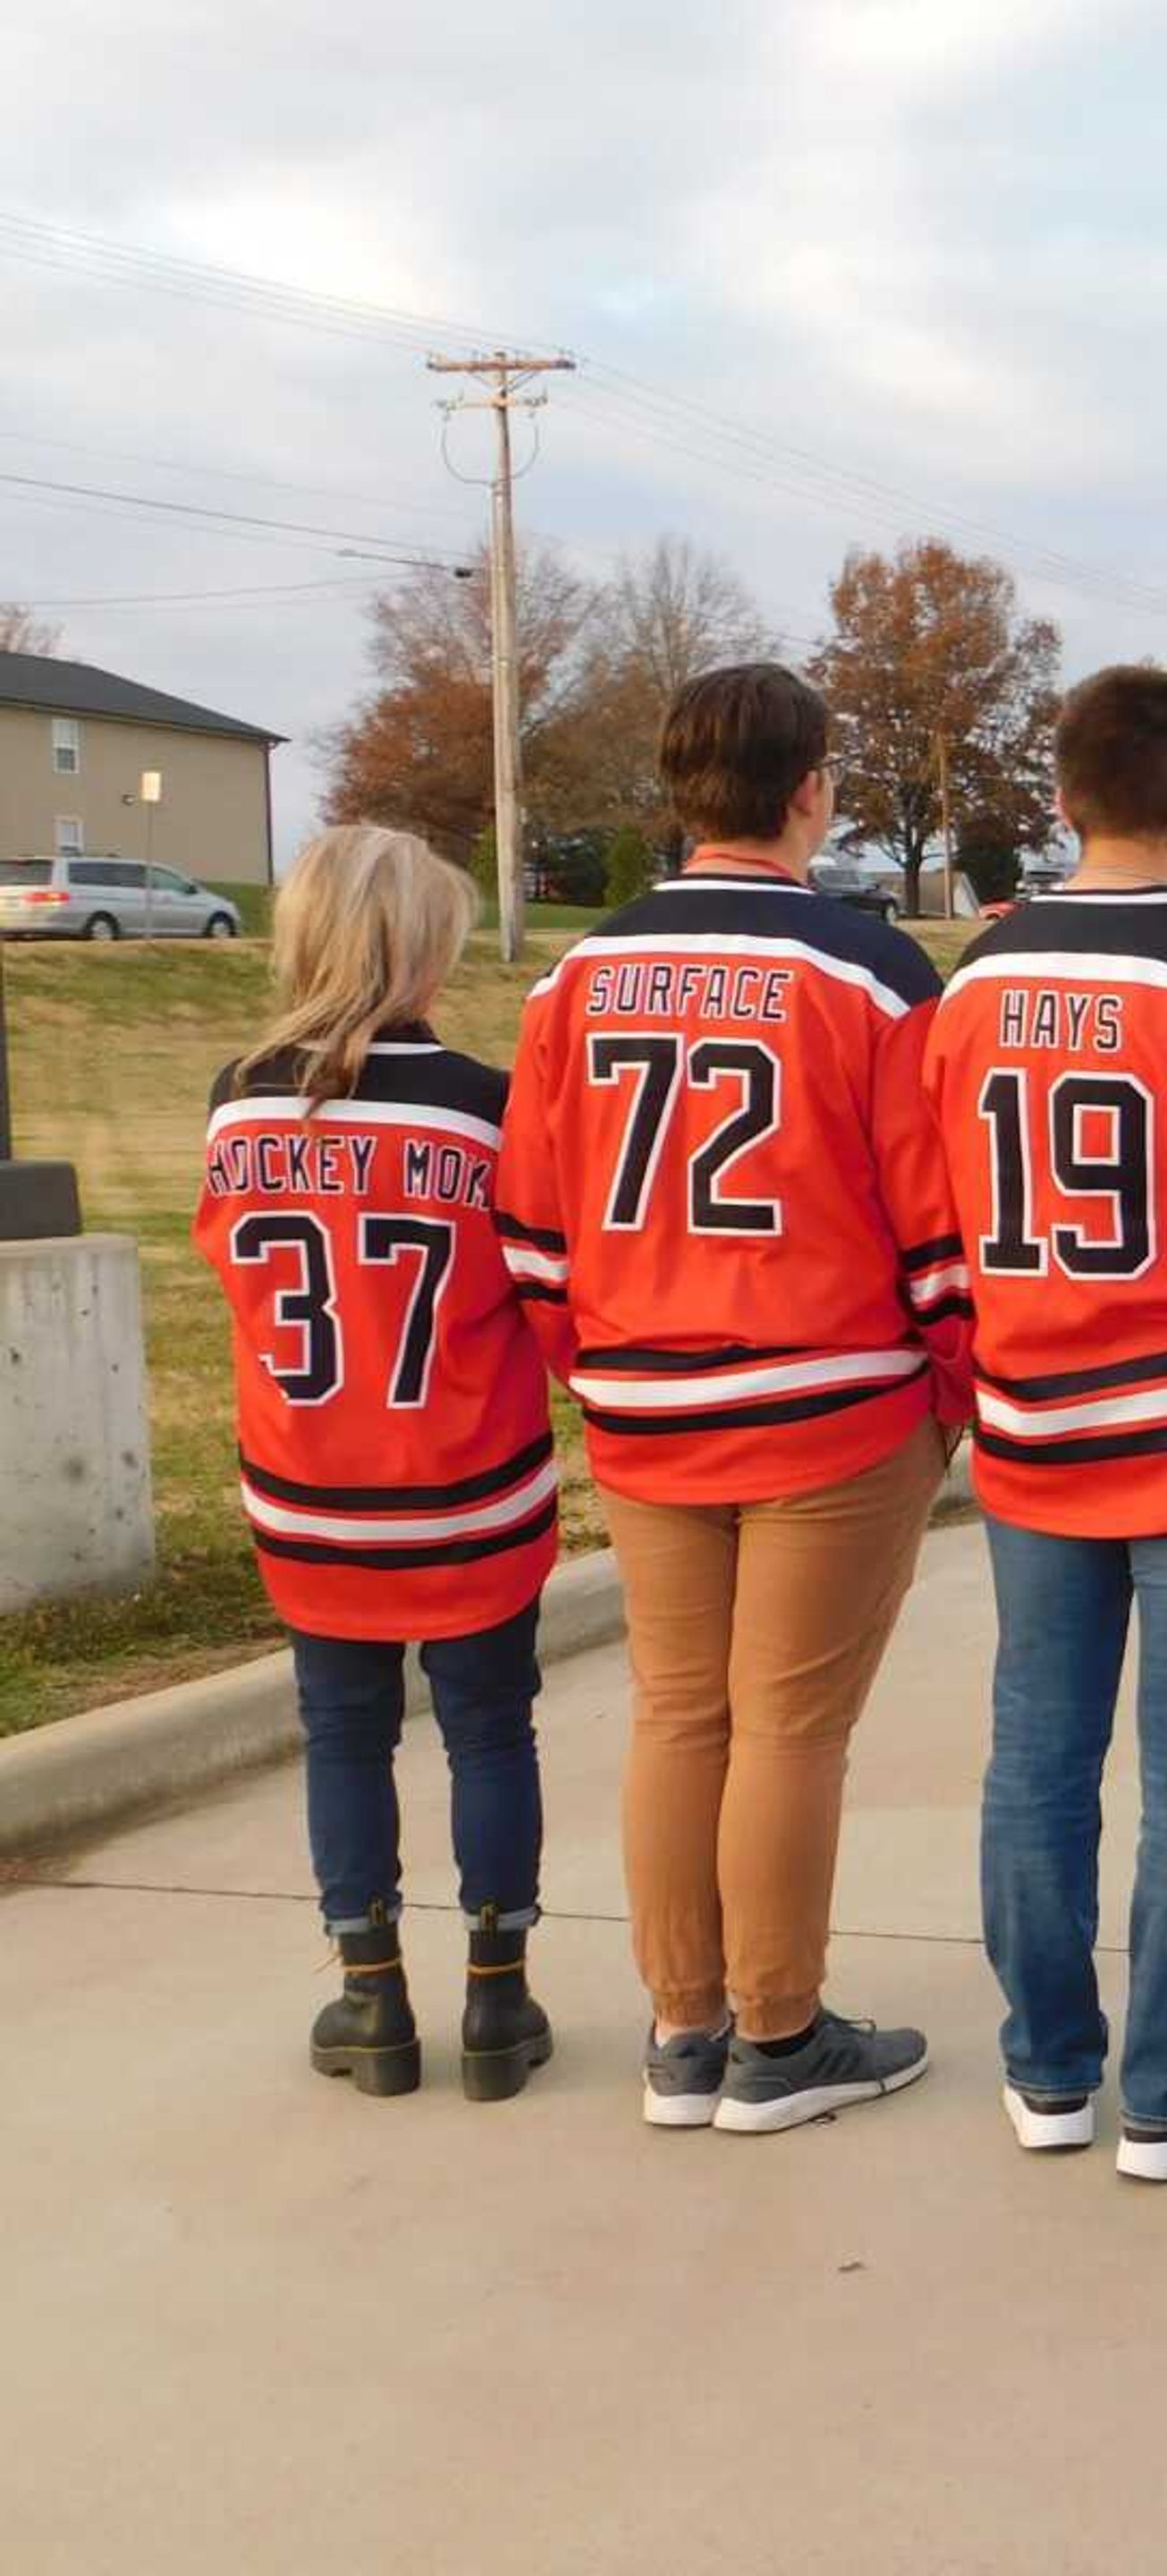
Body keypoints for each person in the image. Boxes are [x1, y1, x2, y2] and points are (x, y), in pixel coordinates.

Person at [497, 663, 969, 2135]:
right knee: (786, 1730)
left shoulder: (575, 976)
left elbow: (530, 1217)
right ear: (811, 789)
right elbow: (932, 1219)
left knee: (676, 1714)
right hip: (827, 1395)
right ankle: (777, 2031)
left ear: (678, 790)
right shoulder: (872, 972)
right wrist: (946, 1396)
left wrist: (603, 1363)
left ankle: (682, 2027)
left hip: (649, 1392)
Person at [924, 664, 1167, 2179]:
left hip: (1032, 1419)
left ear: (1066, 798)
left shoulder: (969, 985)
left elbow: (943, 1210)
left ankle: (1048, 2069)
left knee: (1035, 1752)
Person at [196, 825, 559, 2102]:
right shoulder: (483, 1103)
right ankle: (497, 2005)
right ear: (429, 945)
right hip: (467, 1482)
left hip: (310, 1489)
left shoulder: (234, 1097)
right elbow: (530, 1288)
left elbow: (232, 1270)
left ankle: (369, 1999)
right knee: (490, 1732)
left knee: (341, 1738)